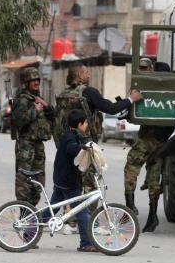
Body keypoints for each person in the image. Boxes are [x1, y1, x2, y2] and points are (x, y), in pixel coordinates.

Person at [61, 64, 143, 211]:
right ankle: (90, 220)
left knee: (72, 183)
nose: (89, 75)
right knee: (91, 184)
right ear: (79, 75)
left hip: (67, 144)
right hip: (86, 145)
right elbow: (110, 108)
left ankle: (70, 220)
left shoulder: (64, 94)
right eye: (86, 73)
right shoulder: (89, 92)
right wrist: (131, 99)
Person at [42, 109, 97, 252]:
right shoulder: (70, 138)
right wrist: (83, 147)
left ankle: (29, 235)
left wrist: (90, 147)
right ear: (80, 124)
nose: (86, 125)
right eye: (85, 123)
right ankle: (86, 243)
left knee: (52, 209)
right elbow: (72, 149)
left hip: (62, 179)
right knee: (82, 211)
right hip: (67, 181)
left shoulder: (74, 134)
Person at [12, 67, 54, 207]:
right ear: (26, 82)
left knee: (39, 180)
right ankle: (25, 211)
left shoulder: (38, 98)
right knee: (24, 179)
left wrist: (46, 106)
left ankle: (32, 208)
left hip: (38, 144)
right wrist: (34, 111)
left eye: (37, 80)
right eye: (32, 80)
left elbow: (52, 117)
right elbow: (18, 120)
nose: (36, 82)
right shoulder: (22, 99)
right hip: (26, 144)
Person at [124, 125, 173, 232]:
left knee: (131, 167)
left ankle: (130, 206)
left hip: (148, 137)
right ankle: (152, 215)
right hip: (165, 142)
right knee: (154, 178)